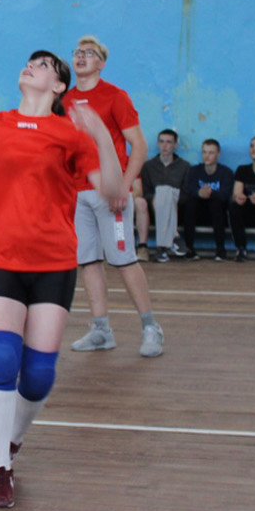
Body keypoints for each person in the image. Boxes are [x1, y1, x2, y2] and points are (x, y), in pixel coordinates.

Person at [0, 50, 123, 509]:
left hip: (54, 261)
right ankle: (1, 469)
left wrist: (101, 136)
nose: (33, 65)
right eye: (31, 61)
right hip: (0, 258)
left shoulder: (70, 135)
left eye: (45, 64)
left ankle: (11, 441)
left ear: (58, 86)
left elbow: (113, 190)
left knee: (37, 376)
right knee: (1, 358)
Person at [63, 36, 165, 358]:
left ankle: (151, 327)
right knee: (88, 261)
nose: (81, 57)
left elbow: (140, 146)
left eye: (89, 53)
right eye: (77, 52)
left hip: (110, 195)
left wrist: (123, 186)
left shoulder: (115, 96)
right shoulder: (64, 101)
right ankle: (101, 330)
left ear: (101, 63)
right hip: (76, 195)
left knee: (123, 259)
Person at [141, 129, 191, 262]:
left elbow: (186, 193)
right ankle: (174, 236)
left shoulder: (185, 166)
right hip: (154, 206)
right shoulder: (148, 166)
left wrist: (169, 197)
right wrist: (159, 197)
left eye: (169, 142)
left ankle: (161, 249)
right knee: (162, 193)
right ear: (158, 143)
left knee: (166, 192)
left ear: (175, 145)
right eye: (162, 141)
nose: (164, 145)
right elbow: (146, 192)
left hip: (177, 206)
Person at [180, 139, 234, 260]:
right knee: (190, 204)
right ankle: (189, 249)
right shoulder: (194, 171)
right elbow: (189, 189)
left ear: (218, 154)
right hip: (198, 213)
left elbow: (225, 194)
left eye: (211, 152)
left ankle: (220, 250)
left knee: (216, 204)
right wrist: (199, 193)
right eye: (204, 152)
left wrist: (210, 193)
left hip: (218, 214)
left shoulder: (226, 172)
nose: (207, 156)